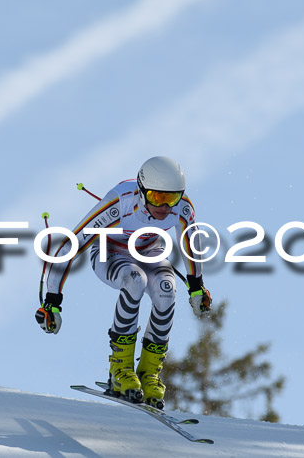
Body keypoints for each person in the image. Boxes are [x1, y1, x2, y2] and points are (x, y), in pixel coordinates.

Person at [35, 156, 212, 409]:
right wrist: (52, 302)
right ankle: (120, 369)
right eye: (157, 197)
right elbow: (73, 243)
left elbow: (189, 243)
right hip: (110, 250)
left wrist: (197, 286)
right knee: (135, 281)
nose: (164, 207)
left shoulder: (182, 207)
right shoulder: (120, 202)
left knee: (167, 290)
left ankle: (149, 373)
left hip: (149, 248)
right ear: (141, 191)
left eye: (171, 198)